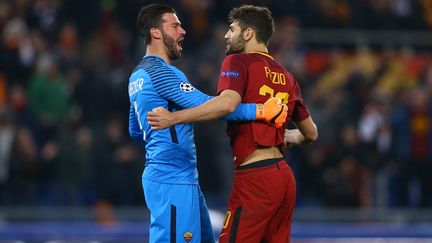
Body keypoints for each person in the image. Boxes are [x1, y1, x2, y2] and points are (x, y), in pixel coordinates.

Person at [147, 5, 318, 243]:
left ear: (248, 33)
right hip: (284, 178)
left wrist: (173, 118)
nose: (227, 35)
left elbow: (226, 105)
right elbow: (311, 133)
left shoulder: (238, 61)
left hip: (255, 178)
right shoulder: (287, 76)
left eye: (232, 29)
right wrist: (291, 137)